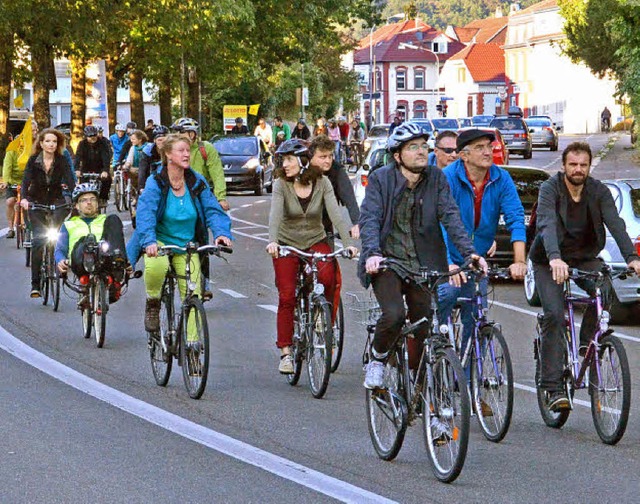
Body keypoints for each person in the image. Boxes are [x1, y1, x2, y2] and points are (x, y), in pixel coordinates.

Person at [358, 122, 487, 389]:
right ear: (397, 155)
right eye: (413, 147)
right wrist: (371, 253)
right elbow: (370, 218)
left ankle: (418, 388)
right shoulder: (381, 179)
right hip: (387, 262)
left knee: (423, 323)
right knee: (393, 315)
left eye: (423, 146)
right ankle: (378, 359)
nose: (420, 151)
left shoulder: (435, 179)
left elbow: (451, 216)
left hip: (422, 263)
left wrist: (470, 253)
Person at [530, 141, 640, 411]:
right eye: (573, 164)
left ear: (589, 167)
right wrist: (555, 257)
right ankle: (552, 387)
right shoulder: (550, 189)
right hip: (548, 259)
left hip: (583, 257)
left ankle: (584, 346)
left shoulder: (597, 191)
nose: (578, 170)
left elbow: (615, 223)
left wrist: (632, 257)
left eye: (583, 165)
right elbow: (546, 223)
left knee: (604, 292)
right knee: (555, 315)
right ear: (564, 166)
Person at [438, 129, 527, 398]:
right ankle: (436, 354)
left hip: (478, 260)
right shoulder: (448, 177)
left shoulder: (501, 178)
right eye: (479, 147)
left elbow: (515, 217)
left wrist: (519, 261)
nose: (488, 151)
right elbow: (439, 222)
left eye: (490, 145)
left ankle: (466, 387)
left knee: (475, 317)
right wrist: (448, 264)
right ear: (464, 155)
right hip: (449, 257)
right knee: (446, 297)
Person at [266, 139, 358, 374]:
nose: (284, 165)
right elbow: (275, 215)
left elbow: (335, 215)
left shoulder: (323, 182)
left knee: (327, 275)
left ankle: (319, 315)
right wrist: (273, 241)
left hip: (316, 240)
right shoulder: (280, 184)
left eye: (288, 159)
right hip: (287, 242)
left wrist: (348, 244)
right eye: (283, 160)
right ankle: (286, 352)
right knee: (287, 294)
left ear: (302, 161)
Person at [126, 134, 232, 333]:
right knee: (156, 267)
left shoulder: (195, 180)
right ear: (168, 154)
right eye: (181, 150)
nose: (186, 154)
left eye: (188, 150)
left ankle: (192, 342)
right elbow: (146, 213)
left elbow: (212, 209)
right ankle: (153, 302)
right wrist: (149, 241)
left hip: (188, 245)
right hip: (159, 241)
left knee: (193, 294)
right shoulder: (155, 181)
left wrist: (221, 233)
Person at [21, 128, 75, 298]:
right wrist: (24, 199)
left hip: (56, 202)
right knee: (38, 240)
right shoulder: (33, 161)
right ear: (42, 143)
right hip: (36, 203)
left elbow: (70, 181)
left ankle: (60, 265)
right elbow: (25, 181)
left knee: (58, 237)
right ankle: (35, 284)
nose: (51, 144)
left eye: (54, 142)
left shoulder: (62, 160)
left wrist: (76, 198)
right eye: (48, 141)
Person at [55, 183, 129, 305]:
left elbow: (117, 241)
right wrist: (60, 260)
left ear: (98, 203)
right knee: (88, 240)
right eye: (84, 200)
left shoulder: (105, 220)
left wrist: (127, 261)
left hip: (104, 258)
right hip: (80, 260)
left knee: (114, 219)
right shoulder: (69, 225)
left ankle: (116, 274)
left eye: (92, 199)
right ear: (77, 206)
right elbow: (60, 249)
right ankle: (87, 285)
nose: (89, 203)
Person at [170, 117, 229, 211]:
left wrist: (220, 198)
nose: (176, 135)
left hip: (200, 193)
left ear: (192, 134)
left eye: (181, 132)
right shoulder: (171, 149)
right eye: (175, 132)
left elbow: (217, 174)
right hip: (177, 194)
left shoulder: (206, 148)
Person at [1, 119, 38, 238]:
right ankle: (11, 228)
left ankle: (32, 225)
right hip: (14, 182)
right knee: (10, 201)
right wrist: (5, 181)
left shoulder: (36, 147)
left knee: (32, 203)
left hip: (29, 181)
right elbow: (7, 166)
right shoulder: (12, 149)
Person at [74, 125, 112, 206]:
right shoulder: (82, 144)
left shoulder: (102, 143)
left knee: (107, 180)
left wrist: (105, 170)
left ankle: (103, 198)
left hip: (100, 167)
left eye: (94, 135)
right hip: (86, 167)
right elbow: (77, 157)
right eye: (90, 136)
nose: (93, 137)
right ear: (86, 136)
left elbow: (106, 157)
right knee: (83, 184)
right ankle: (83, 201)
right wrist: (77, 169)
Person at [139, 125, 169, 191]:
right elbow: (142, 170)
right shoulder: (148, 150)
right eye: (159, 140)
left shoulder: (172, 150)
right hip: (152, 178)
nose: (162, 143)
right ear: (154, 140)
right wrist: (141, 187)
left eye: (165, 140)